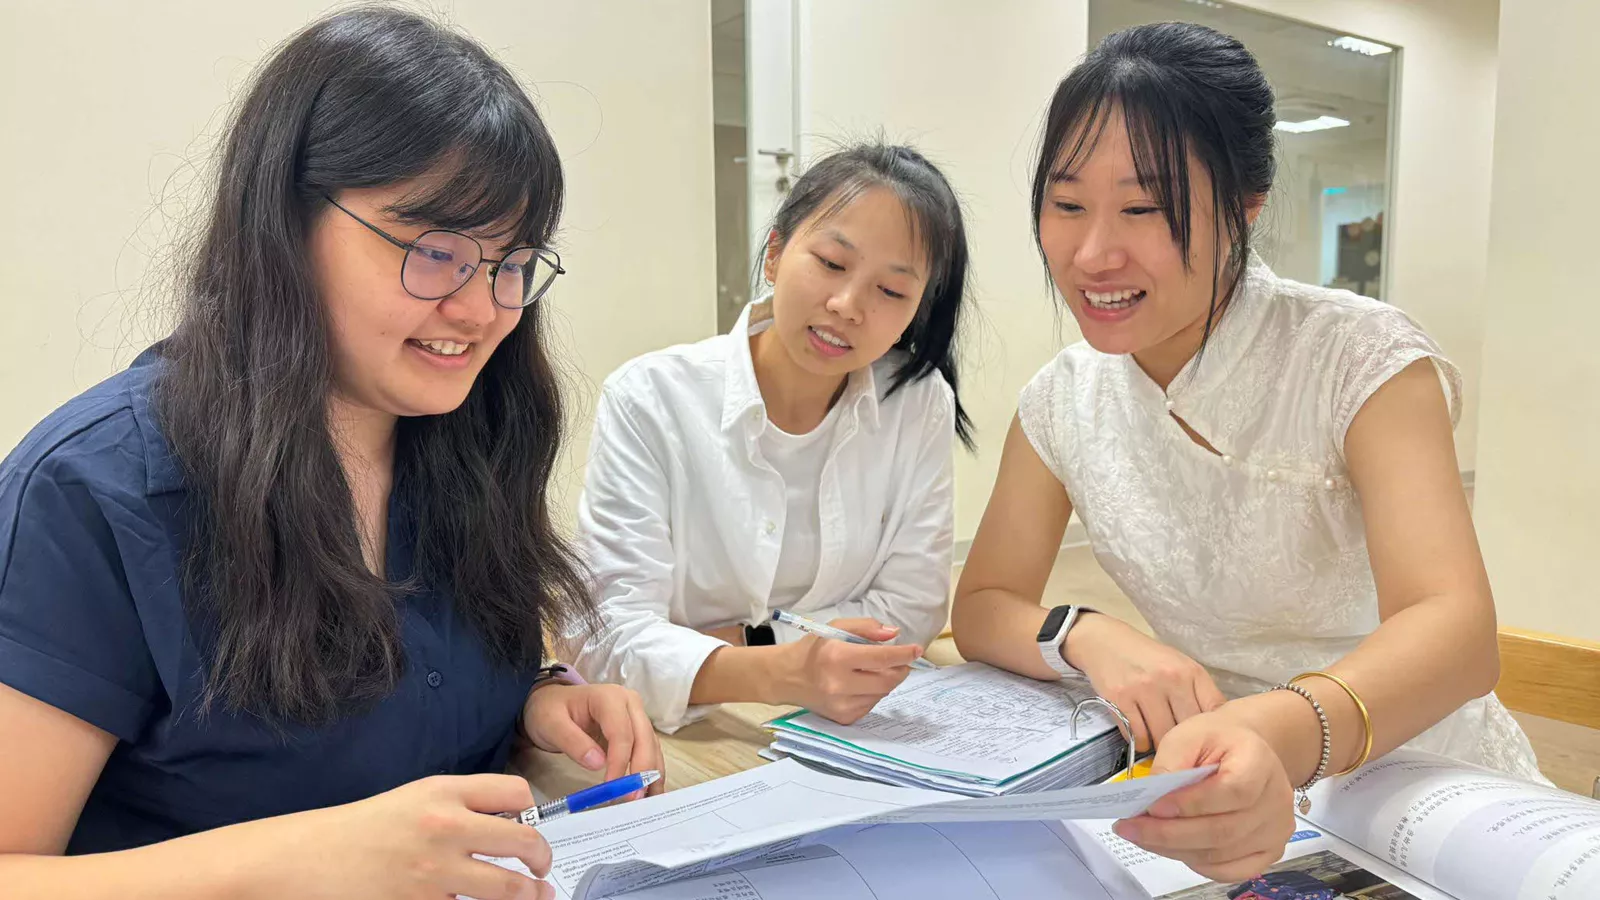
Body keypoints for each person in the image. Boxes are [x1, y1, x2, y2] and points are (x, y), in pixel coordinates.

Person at [0, 9, 660, 898]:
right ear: (284, 223)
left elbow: (405, 711)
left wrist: (536, 702)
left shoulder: (469, 439)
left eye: (512, 264)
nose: (480, 311)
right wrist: (311, 858)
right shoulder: (96, 491)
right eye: (434, 250)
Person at [950, 21, 1541, 883]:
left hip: (1418, 777)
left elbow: (1456, 632)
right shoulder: (1063, 398)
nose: (1092, 253)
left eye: (1144, 209)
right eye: (1067, 205)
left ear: (1246, 203)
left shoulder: (1359, 357)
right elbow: (983, 605)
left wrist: (1276, 732)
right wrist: (1088, 635)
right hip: (1217, 781)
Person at [566, 143, 972, 730]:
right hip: (688, 732)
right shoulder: (650, 399)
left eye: (891, 292)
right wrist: (780, 669)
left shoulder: (916, 400)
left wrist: (742, 641)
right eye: (831, 263)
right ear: (776, 253)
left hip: (848, 719)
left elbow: (911, 612)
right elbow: (605, 640)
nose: (847, 305)